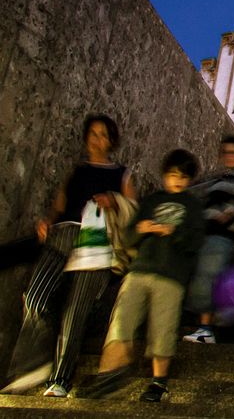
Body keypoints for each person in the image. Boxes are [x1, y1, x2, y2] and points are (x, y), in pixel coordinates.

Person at [2, 114, 137, 397]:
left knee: (75, 312)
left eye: (103, 135)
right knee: (36, 297)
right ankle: (34, 362)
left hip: (97, 245)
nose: (97, 139)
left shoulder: (121, 174)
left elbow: (134, 211)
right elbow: (59, 204)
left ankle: (60, 379)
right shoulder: (76, 171)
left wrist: (114, 200)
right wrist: (47, 221)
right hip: (62, 237)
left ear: (111, 141)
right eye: (93, 133)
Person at [76, 149, 204, 403]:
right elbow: (127, 236)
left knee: (163, 328)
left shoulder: (193, 206)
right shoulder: (152, 201)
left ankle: (159, 383)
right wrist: (143, 228)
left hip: (171, 276)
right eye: (172, 174)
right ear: (165, 175)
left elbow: (195, 241)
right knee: (121, 321)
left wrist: (173, 232)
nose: (177, 180)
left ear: (189, 179)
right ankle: (107, 375)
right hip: (141, 269)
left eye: (183, 176)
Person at [184, 136, 234, 344]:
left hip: (222, 234)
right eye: (226, 152)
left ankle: (206, 328)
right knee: (204, 277)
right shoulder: (218, 178)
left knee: (207, 277)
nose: (229, 156)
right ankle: (215, 319)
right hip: (206, 234)